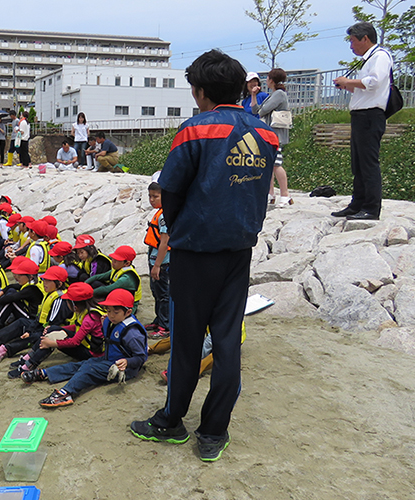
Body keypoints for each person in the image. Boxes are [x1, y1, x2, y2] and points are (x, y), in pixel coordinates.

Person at [129, 49, 276, 462]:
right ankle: (213, 432)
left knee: (187, 341)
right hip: (239, 251)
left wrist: (177, 229)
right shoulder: (264, 133)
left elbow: (171, 190)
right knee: (228, 343)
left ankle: (172, 420)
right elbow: (258, 188)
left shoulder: (194, 131)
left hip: (195, 253)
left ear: (201, 91)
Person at [21, 288, 147, 409]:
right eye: (108, 311)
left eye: (116, 312)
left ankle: (66, 393)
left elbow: (141, 357)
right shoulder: (109, 321)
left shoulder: (132, 333)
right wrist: (105, 326)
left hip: (123, 369)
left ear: (128, 312)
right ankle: (46, 373)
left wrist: (127, 362)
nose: (111, 315)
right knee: (84, 364)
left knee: (89, 369)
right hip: (109, 359)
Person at [331, 22, 392, 221]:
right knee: (357, 163)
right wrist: (347, 86)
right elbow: (364, 88)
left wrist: (348, 81)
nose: (351, 46)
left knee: (368, 163)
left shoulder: (380, 56)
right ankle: (357, 203)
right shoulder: (368, 60)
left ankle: (371, 208)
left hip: (371, 116)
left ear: (365, 38)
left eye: (352, 41)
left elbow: (374, 82)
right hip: (360, 116)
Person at [9, 282, 104, 377]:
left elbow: (75, 342)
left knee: (53, 338)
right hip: (85, 344)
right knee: (53, 329)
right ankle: (29, 357)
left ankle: (29, 365)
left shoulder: (90, 318)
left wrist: (52, 343)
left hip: (91, 353)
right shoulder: (87, 310)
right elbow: (78, 327)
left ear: (74, 306)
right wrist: (57, 329)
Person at [251, 68, 293, 208]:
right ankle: (271, 194)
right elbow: (255, 110)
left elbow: (262, 111)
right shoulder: (273, 94)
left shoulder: (279, 94)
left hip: (276, 134)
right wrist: (253, 96)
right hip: (270, 134)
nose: (266, 80)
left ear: (272, 80)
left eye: (268, 78)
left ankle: (285, 194)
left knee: (276, 164)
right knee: (270, 164)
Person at [143, 182, 171, 339]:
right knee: (156, 291)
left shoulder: (164, 216)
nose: (152, 200)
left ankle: (165, 326)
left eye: (155, 196)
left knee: (163, 294)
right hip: (154, 259)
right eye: (150, 196)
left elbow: (164, 243)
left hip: (162, 262)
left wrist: (157, 265)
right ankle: (158, 319)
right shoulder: (159, 212)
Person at [85, 245, 141, 313]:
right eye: (112, 259)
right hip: (118, 295)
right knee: (95, 283)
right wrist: (84, 284)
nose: (112, 262)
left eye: (116, 261)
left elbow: (107, 289)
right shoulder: (118, 268)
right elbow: (97, 277)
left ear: (127, 263)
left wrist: (86, 294)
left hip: (128, 304)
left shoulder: (126, 278)